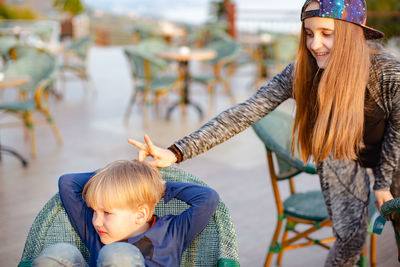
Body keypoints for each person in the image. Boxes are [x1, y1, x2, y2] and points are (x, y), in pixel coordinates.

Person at [129, 0, 400, 266]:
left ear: (352, 35)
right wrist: (177, 152)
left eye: (326, 34)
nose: (314, 44)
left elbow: (398, 129)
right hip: (338, 150)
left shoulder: (386, 73)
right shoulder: (302, 71)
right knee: (349, 239)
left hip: (394, 155)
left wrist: (383, 182)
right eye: (309, 33)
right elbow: (245, 111)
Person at [32, 160, 219, 267]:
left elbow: (207, 199)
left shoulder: (173, 231)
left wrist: (154, 187)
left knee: (117, 254)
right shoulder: (95, 231)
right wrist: (116, 178)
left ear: (140, 214)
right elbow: (67, 182)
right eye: (94, 211)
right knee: (59, 253)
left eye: (106, 212)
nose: (96, 220)